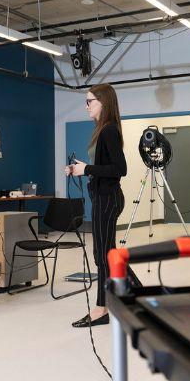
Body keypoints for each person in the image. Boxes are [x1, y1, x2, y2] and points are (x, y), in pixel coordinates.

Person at [65, 84, 126, 328]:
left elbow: (120, 170)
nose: (86, 105)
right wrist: (80, 168)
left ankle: (101, 309)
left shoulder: (109, 130)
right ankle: (137, 298)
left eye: (90, 101)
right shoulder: (101, 129)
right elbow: (104, 167)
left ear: (103, 102)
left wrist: (86, 169)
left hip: (108, 199)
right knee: (107, 254)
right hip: (102, 197)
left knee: (103, 255)